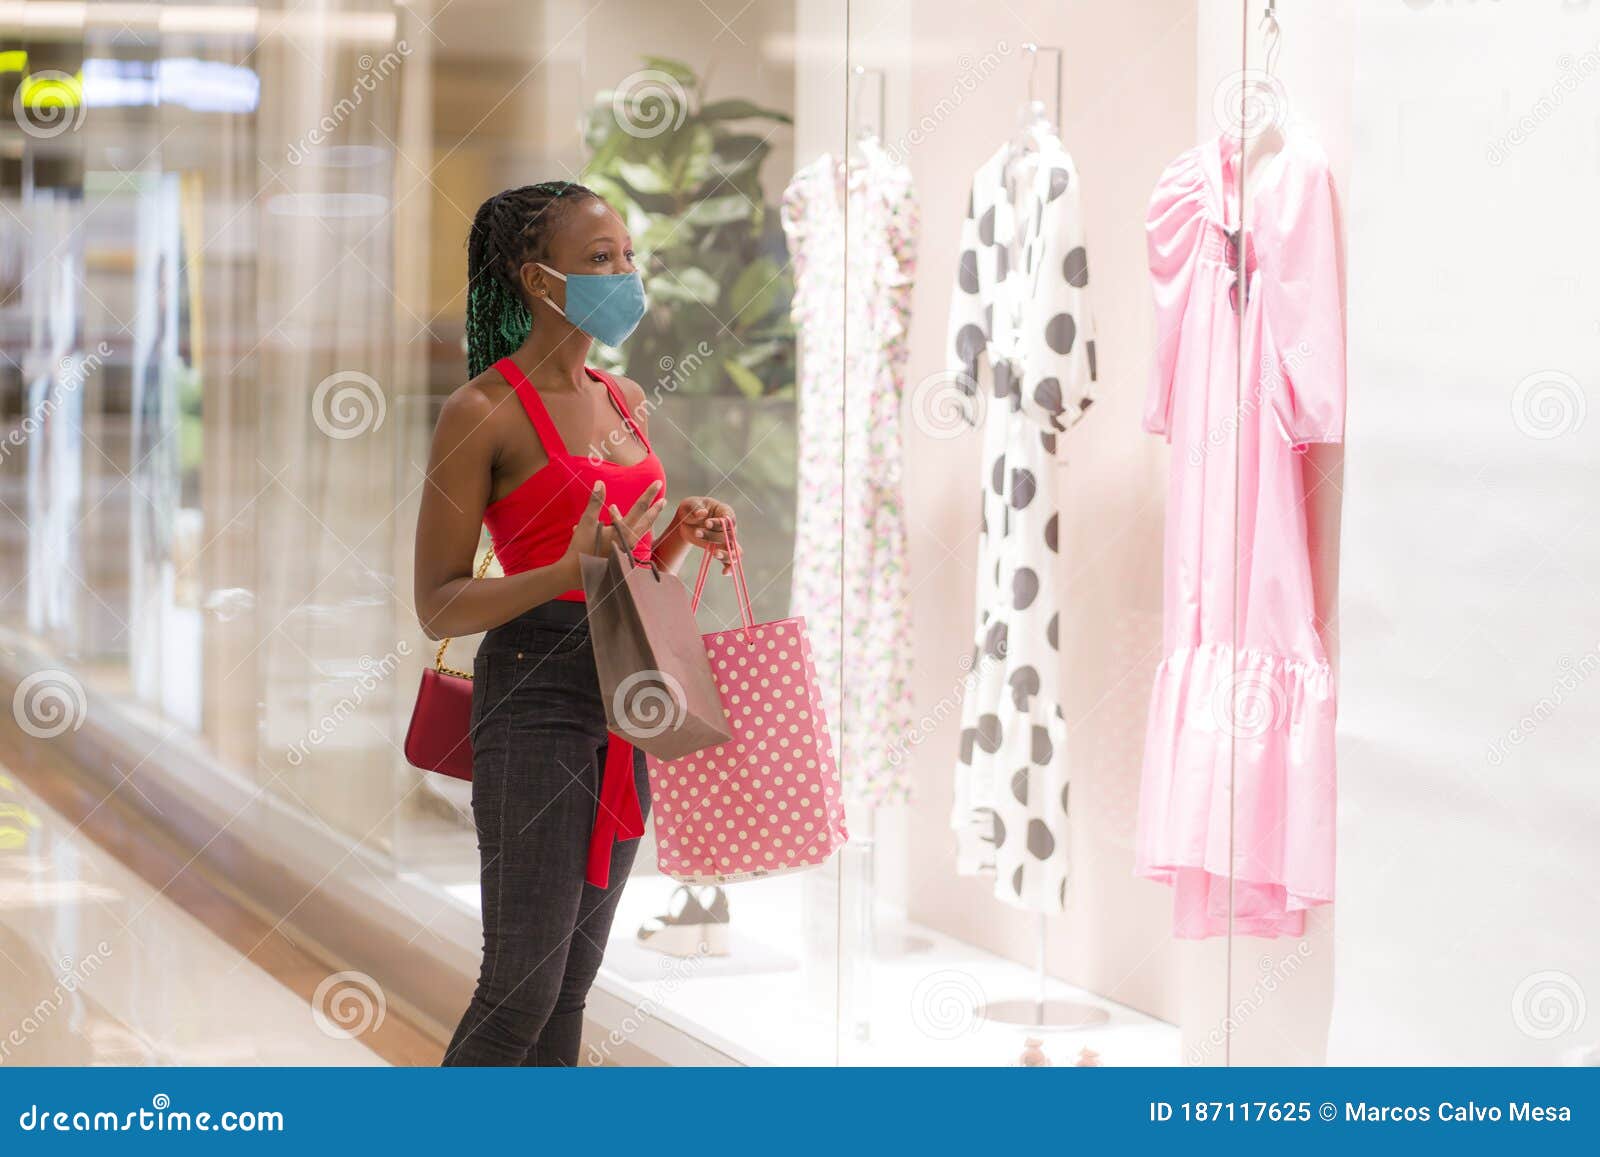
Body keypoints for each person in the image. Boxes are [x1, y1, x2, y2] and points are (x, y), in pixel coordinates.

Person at [414, 180, 735, 1066]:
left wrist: (675, 535)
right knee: (519, 985)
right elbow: (437, 599)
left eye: (629, 256)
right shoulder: (481, 410)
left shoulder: (626, 396)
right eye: (601, 260)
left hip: (631, 695)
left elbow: (629, 572)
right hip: (535, 692)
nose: (625, 274)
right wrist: (564, 569)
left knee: (571, 985)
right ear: (537, 279)